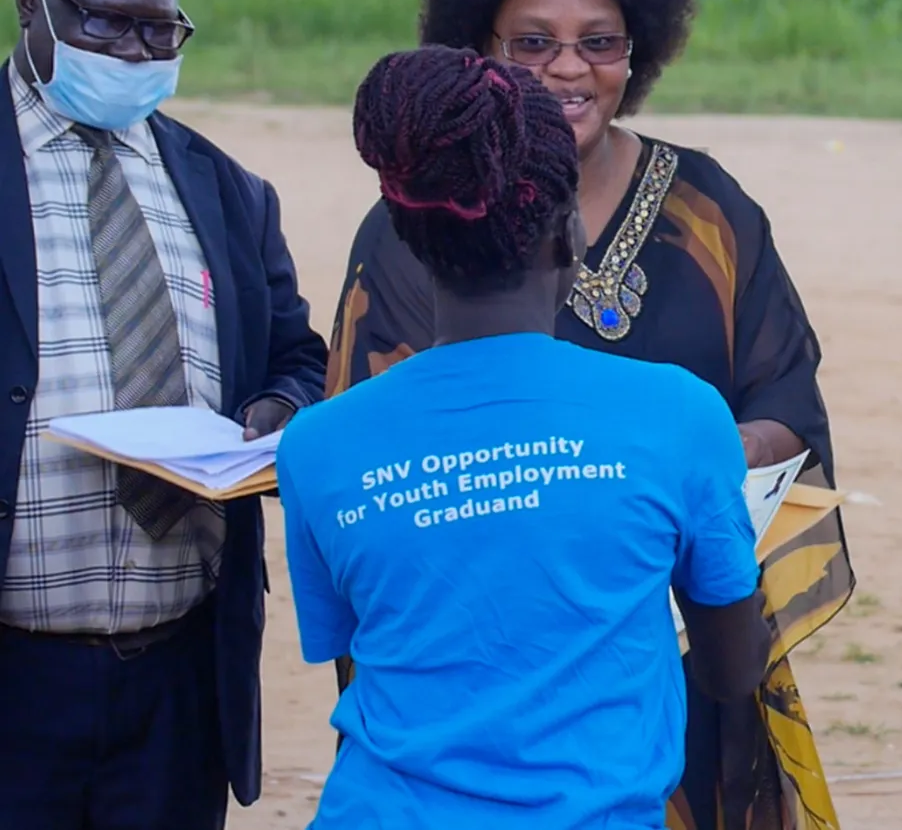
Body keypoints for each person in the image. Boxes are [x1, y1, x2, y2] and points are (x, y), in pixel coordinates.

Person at [326, 0, 852, 828]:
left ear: (636, 47)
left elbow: (792, 406)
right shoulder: (410, 229)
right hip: (472, 664)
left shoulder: (708, 212)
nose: (568, 71)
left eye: (598, 42)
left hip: (681, 651)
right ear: (479, 48)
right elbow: (377, 432)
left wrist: (690, 468)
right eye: (533, 42)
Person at [278, 45, 771, 827]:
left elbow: (363, 641)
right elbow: (732, 667)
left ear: (409, 238)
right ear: (569, 233)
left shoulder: (316, 445)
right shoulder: (680, 415)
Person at [0, 0, 328, 828]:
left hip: (181, 680)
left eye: (163, 31)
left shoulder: (223, 190)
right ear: (32, 3)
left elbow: (297, 357)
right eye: (109, 24)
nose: (138, 56)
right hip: (16, 680)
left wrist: (276, 412)